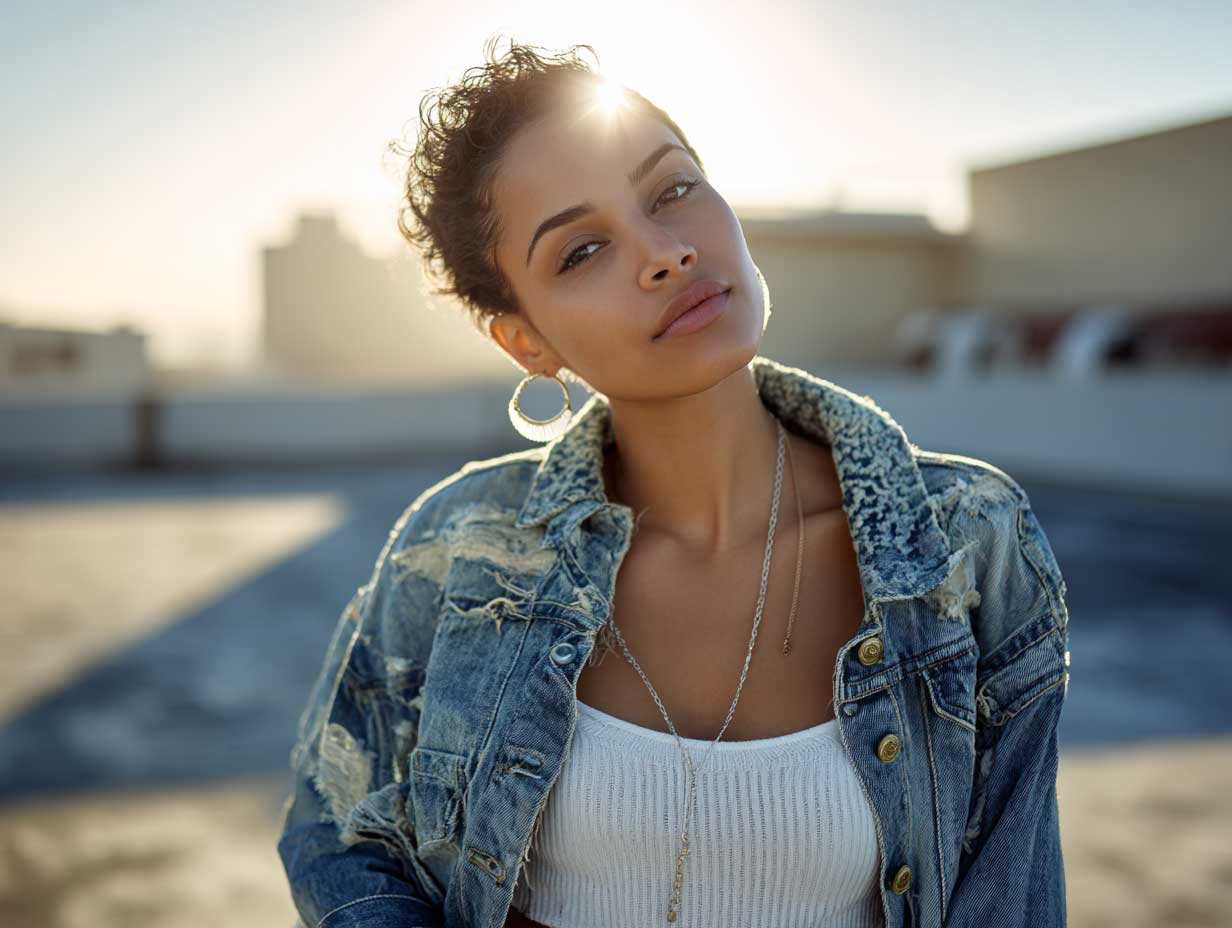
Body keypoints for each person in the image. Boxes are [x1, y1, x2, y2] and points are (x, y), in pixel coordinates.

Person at [276, 36, 1071, 928]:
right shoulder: (457, 554)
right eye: (580, 251)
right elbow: (336, 828)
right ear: (527, 342)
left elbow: (1014, 897)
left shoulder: (967, 544)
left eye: (674, 191)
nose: (664, 253)